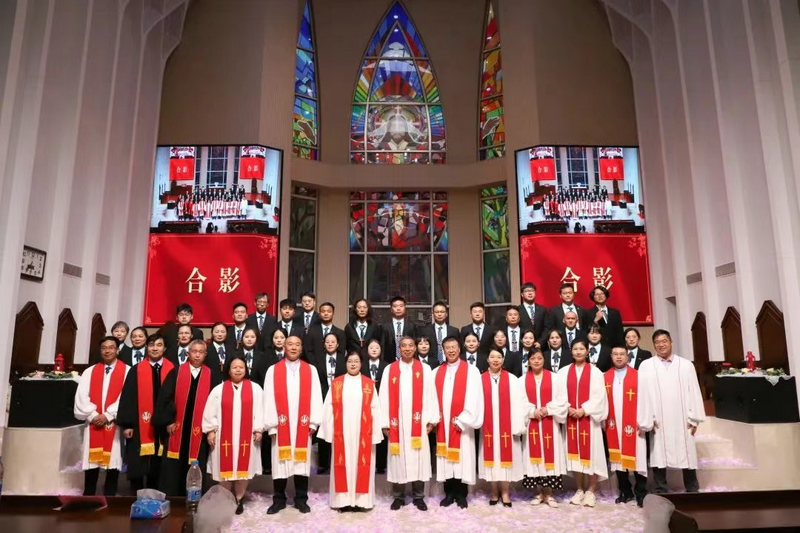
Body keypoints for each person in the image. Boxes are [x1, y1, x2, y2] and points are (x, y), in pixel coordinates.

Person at [263, 335, 324, 514]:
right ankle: (279, 499)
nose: (293, 347)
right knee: (280, 463)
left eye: (297, 344)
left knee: (301, 462)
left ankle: (301, 499)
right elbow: (268, 398)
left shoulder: (310, 370)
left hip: (302, 424)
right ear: (284, 347)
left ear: (301, 347)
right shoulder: (273, 370)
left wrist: (313, 422)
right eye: (290, 344)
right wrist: (272, 424)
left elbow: (316, 396)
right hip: (281, 424)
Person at [638, 329, 705, 493]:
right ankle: (661, 489)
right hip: (658, 418)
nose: (661, 345)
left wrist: (694, 418)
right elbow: (642, 394)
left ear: (671, 342)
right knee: (658, 453)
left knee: (687, 452)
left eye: (664, 341)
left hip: (682, 418)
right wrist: (647, 418)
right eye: (657, 342)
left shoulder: (686, 365)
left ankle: (692, 488)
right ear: (654, 345)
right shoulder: (646, 366)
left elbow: (694, 391)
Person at [380, 336, 440, 511]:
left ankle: (418, 496)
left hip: (418, 422)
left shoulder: (425, 369)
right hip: (396, 423)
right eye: (404, 346)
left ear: (415, 348)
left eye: (410, 346)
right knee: (397, 459)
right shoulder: (390, 370)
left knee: (418, 458)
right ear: (399, 348)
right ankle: (398, 497)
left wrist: (431, 420)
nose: (407, 349)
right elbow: (383, 396)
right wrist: (385, 423)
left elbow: (431, 395)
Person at [318, 351, 383, 512]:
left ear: (361, 364)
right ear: (345, 363)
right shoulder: (337, 383)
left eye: (356, 361)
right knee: (342, 464)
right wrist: (328, 431)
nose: (353, 364)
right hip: (342, 433)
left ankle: (362, 502)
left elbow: (376, 409)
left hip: (363, 434)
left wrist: (375, 433)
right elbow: (328, 408)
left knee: (363, 465)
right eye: (350, 361)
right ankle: (342, 501)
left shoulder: (369, 384)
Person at [155, 339, 221, 496]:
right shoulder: (176, 372)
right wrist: (169, 421)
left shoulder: (211, 375)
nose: (197, 355)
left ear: (205, 355)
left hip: (200, 429)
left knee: (197, 461)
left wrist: (211, 427)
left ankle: (195, 495)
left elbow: (216, 404)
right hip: (177, 427)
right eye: (194, 351)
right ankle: (172, 494)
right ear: (187, 353)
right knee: (173, 464)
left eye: (201, 352)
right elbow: (165, 398)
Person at [202, 356, 264, 515]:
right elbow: (210, 412)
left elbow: (261, 410)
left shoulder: (255, 389)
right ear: (228, 370)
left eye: (241, 367)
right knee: (224, 468)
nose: (238, 370)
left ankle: (239, 498)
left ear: (246, 369)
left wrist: (258, 429)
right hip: (223, 437)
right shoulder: (219, 389)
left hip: (247, 437)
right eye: (234, 367)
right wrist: (210, 430)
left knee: (243, 469)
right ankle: (225, 499)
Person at [117, 333, 175, 492]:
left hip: (164, 424)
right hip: (139, 422)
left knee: (159, 459)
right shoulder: (137, 370)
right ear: (146, 348)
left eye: (159, 345)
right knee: (138, 459)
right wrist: (128, 424)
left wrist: (171, 419)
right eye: (151, 345)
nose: (155, 348)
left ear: (164, 348)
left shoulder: (173, 369)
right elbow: (128, 397)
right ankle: (135, 492)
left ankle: (156, 491)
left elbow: (176, 398)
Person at [74, 336, 130, 496]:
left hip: (114, 423)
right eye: (104, 348)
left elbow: (126, 397)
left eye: (111, 347)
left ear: (118, 350)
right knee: (92, 463)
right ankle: (89, 494)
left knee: (112, 461)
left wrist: (108, 415)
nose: (107, 350)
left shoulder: (127, 371)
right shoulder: (89, 371)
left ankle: (110, 494)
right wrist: (92, 415)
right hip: (93, 424)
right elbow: (81, 396)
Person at [433, 337, 483, 509]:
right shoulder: (436, 372)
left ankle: (462, 494)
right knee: (447, 459)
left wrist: (463, 420)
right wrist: (435, 418)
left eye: (454, 347)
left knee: (463, 459)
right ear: (443, 350)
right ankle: (449, 493)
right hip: (443, 425)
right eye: (447, 348)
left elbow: (475, 398)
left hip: (462, 425)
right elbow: (431, 399)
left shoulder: (472, 371)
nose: (451, 350)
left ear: (459, 349)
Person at [559, 339, 608, 508]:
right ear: (571, 351)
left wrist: (584, 410)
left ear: (587, 351)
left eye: (582, 349)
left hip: (589, 420)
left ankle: (591, 490)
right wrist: (568, 407)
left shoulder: (595, 372)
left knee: (592, 455)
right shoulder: (563, 372)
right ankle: (579, 489)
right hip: (571, 419)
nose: (578, 351)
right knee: (575, 458)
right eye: (575, 349)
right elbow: (559, 395)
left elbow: (600, 397)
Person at [604, 345, 652, 507]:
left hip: (634, 425)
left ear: (628, 356)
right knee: (618, 460)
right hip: (613, 424)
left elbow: (646, 400)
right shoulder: (605, 377)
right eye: (615, 354)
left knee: (637, 460)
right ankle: (625, 491)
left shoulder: (639, 376)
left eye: (622, 354)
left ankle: (641, 492)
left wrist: (644, 422)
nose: (619, 357)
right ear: (611, 356)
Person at [479, 348, 525, 507]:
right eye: (492, 356)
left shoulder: (512, 379)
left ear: (503, 360)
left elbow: (519, 404)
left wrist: (517, 424)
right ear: (487, 359)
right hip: (488, 427)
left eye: (499, 357)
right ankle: (493, 491)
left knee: (506, 459)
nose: (495, 359)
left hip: (507, 426)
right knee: (491, 459)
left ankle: (505, 491)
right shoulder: (480, 379)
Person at [522, 350, 567, 508]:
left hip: (550, 422)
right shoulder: (522, 380)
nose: (536, 361)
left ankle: (549, 494)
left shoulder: (555, 378)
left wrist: (548, 409)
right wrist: (532, 411)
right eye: (532, 358)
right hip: (533, 424)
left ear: (544, 360)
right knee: (534, 459)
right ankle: (539, 492)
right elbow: (520, 402)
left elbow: (562, 399)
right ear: (528, 361)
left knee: (551, 457)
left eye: (539, 358)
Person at [315, 333, 347, 475]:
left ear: (338, 344)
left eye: (333, 342)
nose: (330, 344)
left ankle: (339, 462)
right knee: (324, 429)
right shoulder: (318, 359)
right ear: (324, 344)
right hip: (322, 397)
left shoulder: (344, 359)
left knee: (340, 429)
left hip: (341, 397)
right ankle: (323, 464)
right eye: (327, 342)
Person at [303, 302, 346, 368]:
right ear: (319, 313)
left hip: (333, 367)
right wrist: (315, 366)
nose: (326, 313)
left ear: (333, 313)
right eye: (323, 311)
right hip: (315, 367)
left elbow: (341, 352)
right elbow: (308, 350)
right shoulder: (311, 331)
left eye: (329, 311)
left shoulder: (340, 333)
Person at [381, 296, 416, 363]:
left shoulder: (411, 326)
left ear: (405, 308)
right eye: (395, 306)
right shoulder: (384, 326)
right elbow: (382, 347)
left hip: (409, 362)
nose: (398, 308)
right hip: (389, 362)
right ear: (391, 309)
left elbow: (414, 346)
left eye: (401, 306)